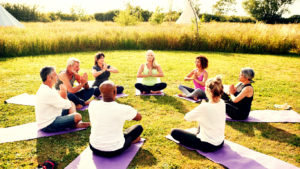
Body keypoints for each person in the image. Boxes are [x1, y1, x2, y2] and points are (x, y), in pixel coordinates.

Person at [89, 81, 143, 157]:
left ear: (100, 92)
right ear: (115, 92)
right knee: (138, 128)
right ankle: (130, 141)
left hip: (94, 147)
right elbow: (139, 117)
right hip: (114, 150)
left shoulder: (92, 104)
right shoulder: (123, 108)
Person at [171, 75, 225, 152]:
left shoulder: (204, 106)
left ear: (209, 91)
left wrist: (202, 105)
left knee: (174, 132)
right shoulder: (222, 102)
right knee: (203, 118)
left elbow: (186, 118)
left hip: (208, 145)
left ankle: (198, 137)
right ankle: (199, 135)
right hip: (220, 142)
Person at [35, 66, 90, 132]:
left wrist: (62, 96)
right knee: (77, 116)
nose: (57, 76)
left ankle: (75, 123)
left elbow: (63, 103)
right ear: (49, 77)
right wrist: (64, 96)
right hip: (48, 125)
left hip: (54, 115)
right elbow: (66, 105)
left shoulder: (47, 87)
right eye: (55, 75)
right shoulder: (48, 92)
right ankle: (74, 123)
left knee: (72, 103)